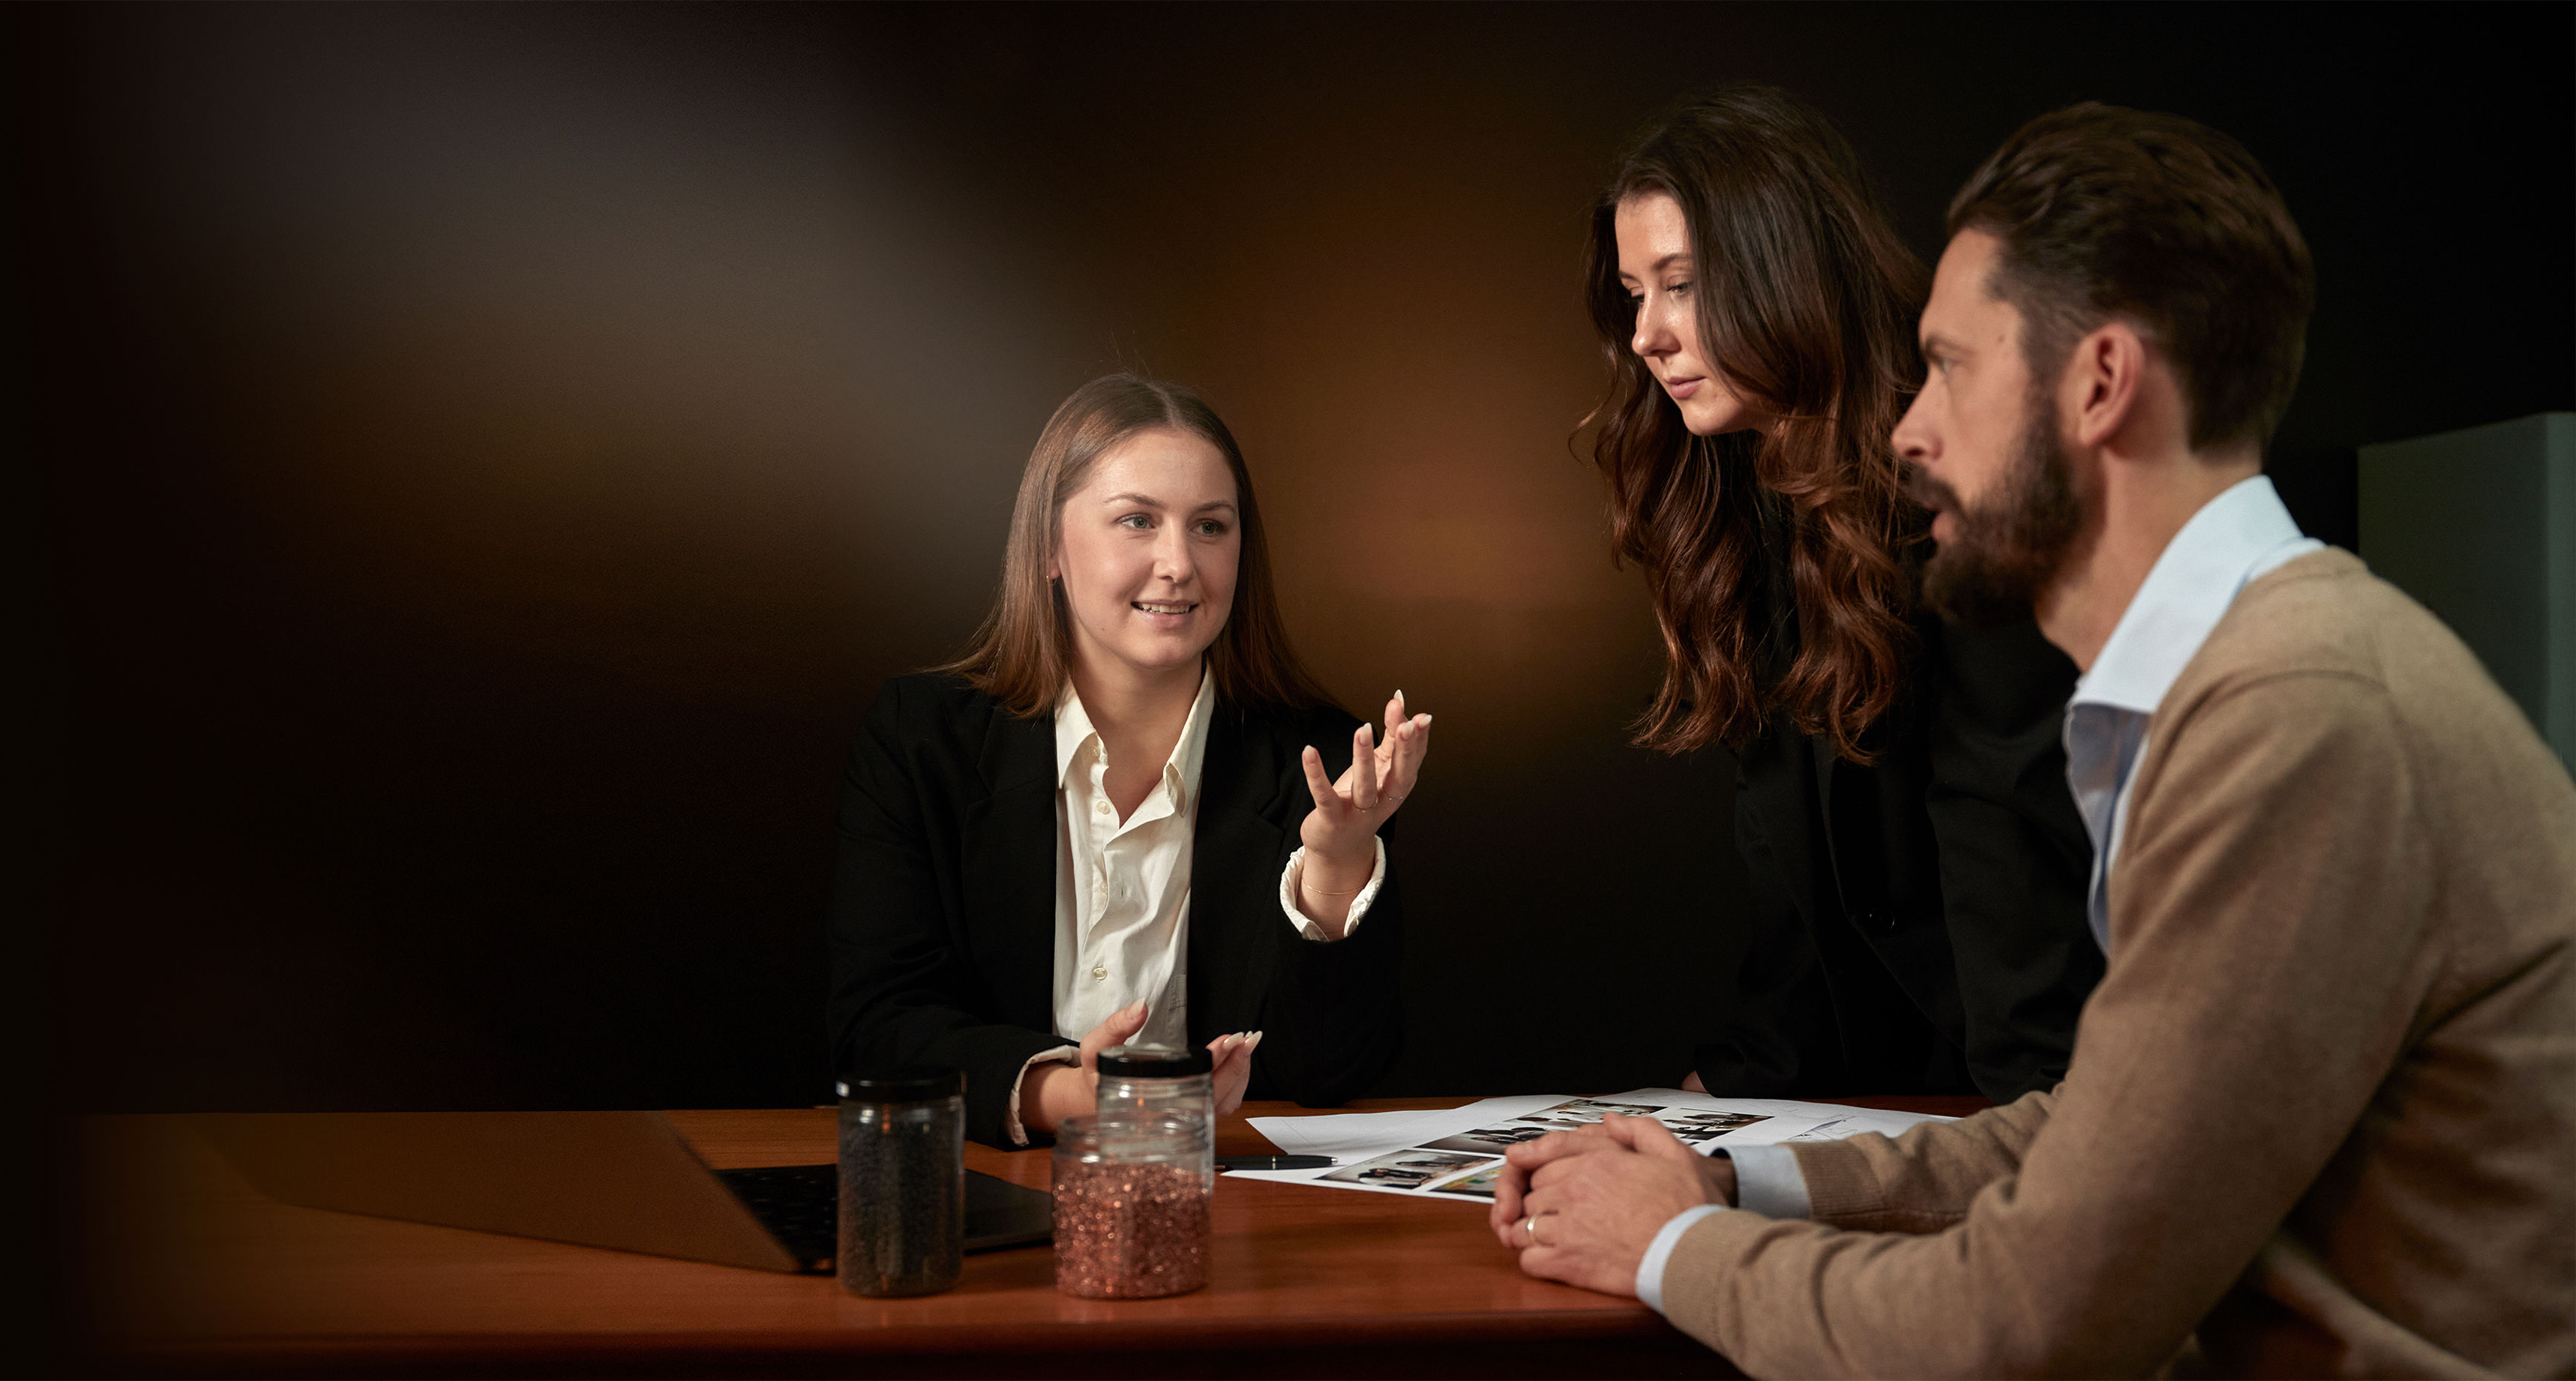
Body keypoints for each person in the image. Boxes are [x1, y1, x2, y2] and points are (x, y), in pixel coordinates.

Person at [1494, 103, 2576, 1377]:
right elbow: (2082, 1138)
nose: (1903, 428)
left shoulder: (2302, 717)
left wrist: (1671, 1244)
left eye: (1946, 367)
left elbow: (2025, 1323)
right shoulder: (2249, 681)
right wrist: (1731, 1179)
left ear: (2098, 383)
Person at [1582, 87, 2103, 1102]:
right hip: (1875, 1097)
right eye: (1633, 293)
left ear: (1783, 270)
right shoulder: (1741, 506)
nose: (1645, 335)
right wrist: (1721, 1089)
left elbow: (2012, 858)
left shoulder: (1955, 492)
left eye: (1679, 284)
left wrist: (2018, 1153)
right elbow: (1792, 879)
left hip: (2031, 1092)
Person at [826, 373, 1429, 1151]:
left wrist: (1336, 866)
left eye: (1210, 527)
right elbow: (877, 1030)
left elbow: (1331, 1073)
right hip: (985, 1192)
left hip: (1236, 1213)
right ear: (1048, 546)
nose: (1178, 563)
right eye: (1136, 521)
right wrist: (1072, 1095)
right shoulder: (920, 740)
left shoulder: (1316, 763)